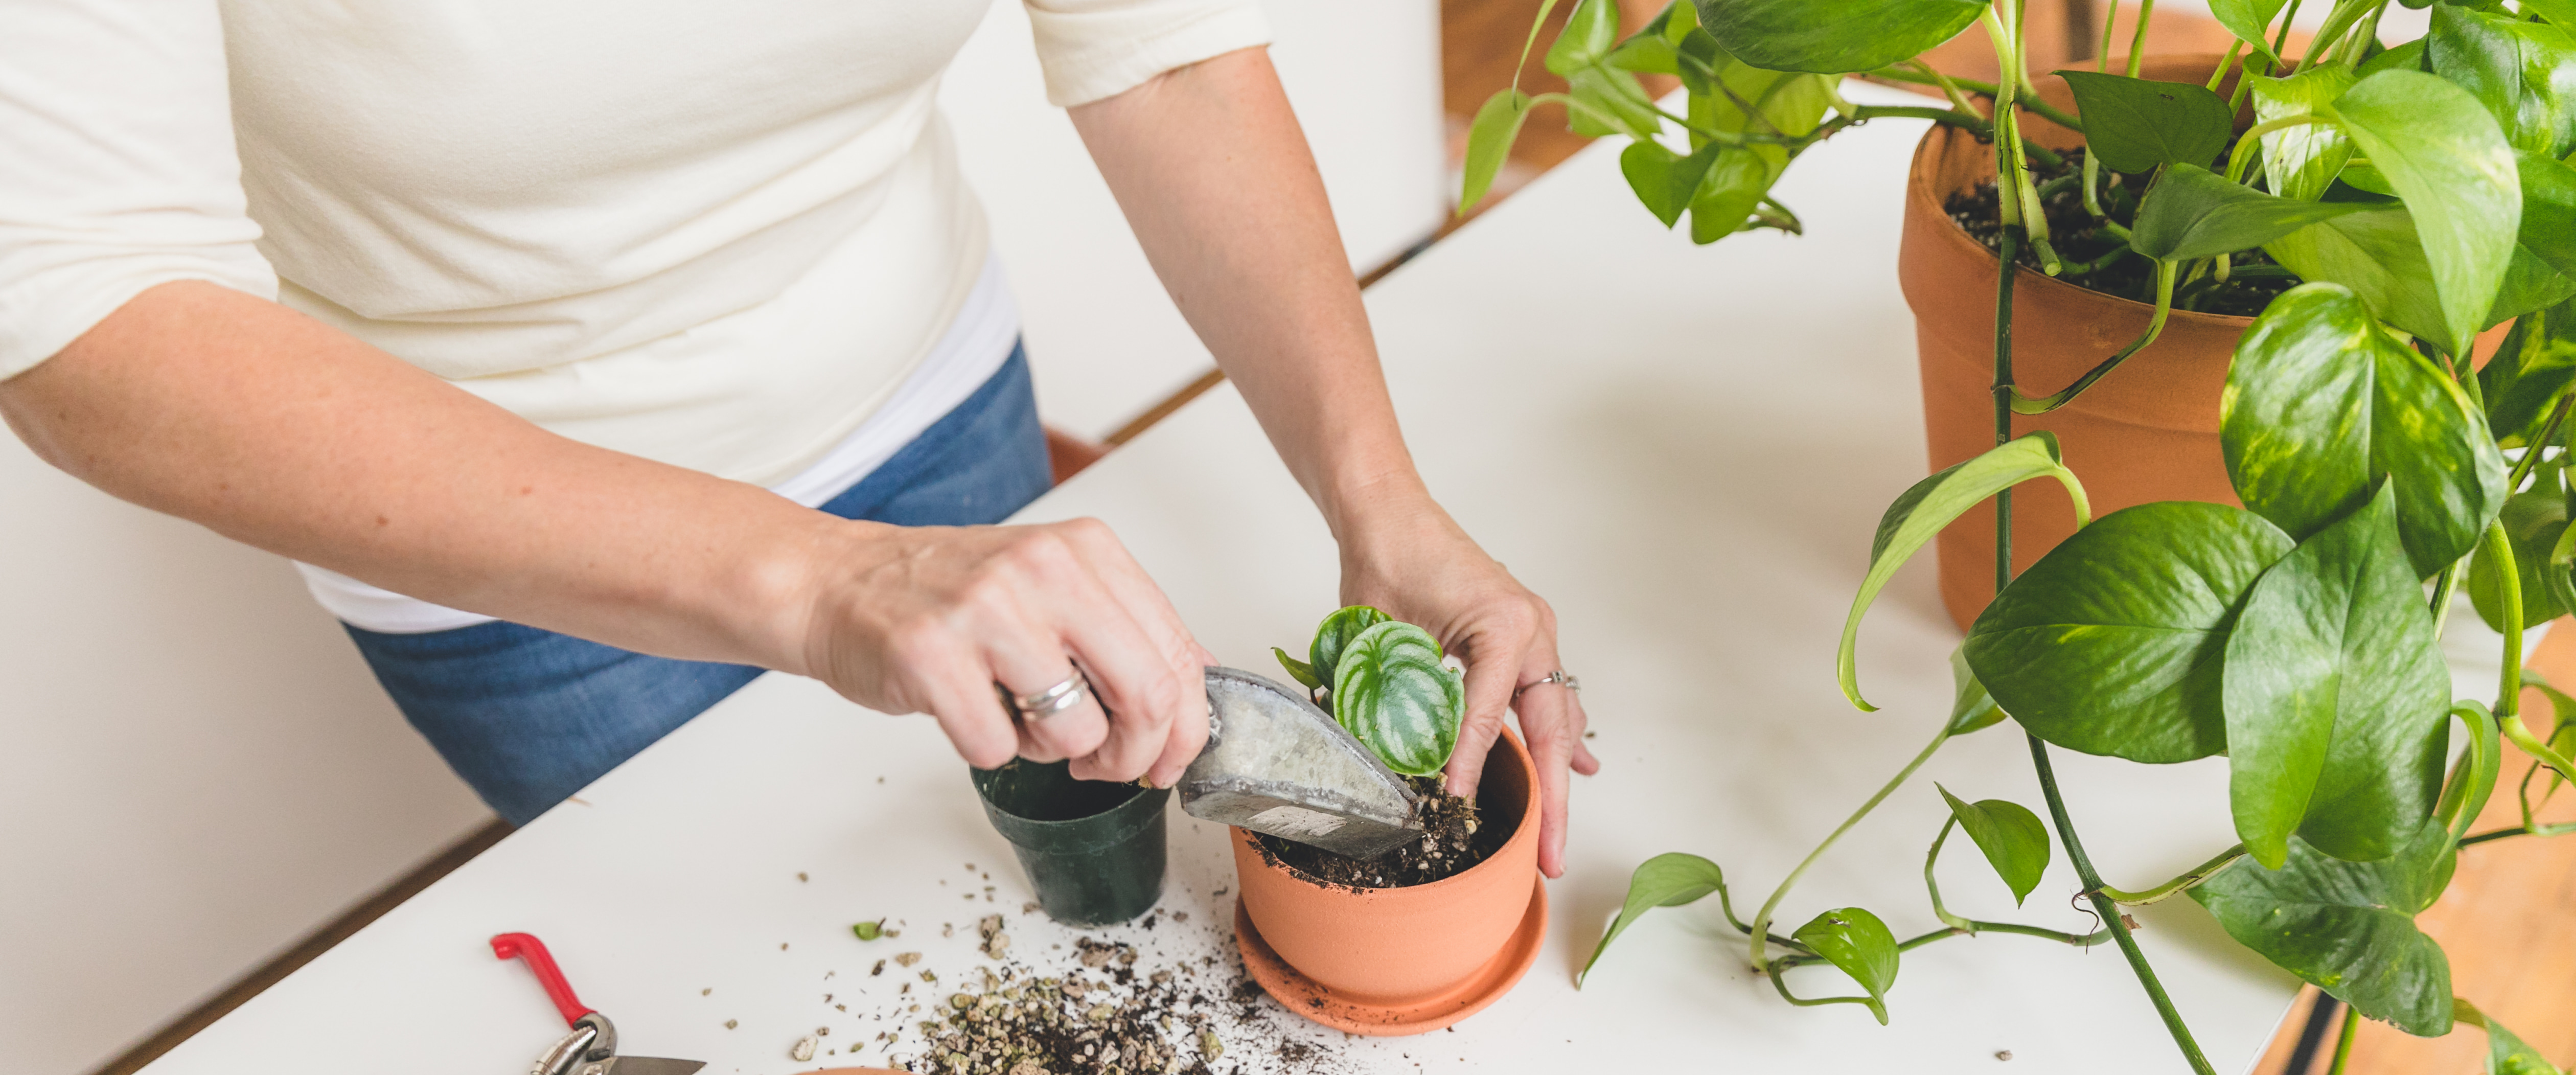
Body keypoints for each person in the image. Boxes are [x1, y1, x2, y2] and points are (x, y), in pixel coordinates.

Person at [0, 0, 1598, 873]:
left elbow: (1160, 49)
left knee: (1028, 887)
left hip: (934, 391)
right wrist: (829, 586)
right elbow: (84, 323)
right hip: (520, 558)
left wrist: (1378, 498)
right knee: (777, 941)